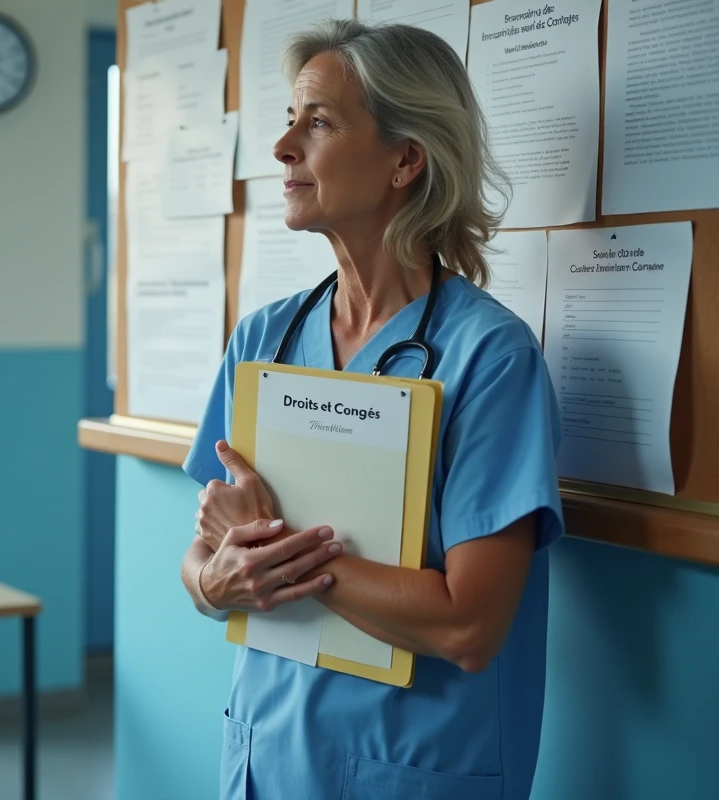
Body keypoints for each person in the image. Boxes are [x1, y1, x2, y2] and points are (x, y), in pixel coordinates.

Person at [180, 19, 564, 800]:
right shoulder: (265, 336)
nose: (284, 147)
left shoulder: (491, 359)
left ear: (406, 159)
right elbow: (205, 560)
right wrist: (213, 586)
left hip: (412, 763)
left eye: (316, 122)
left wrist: (278, 553)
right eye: (289, 121)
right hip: (267, 752)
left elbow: (468, 625)